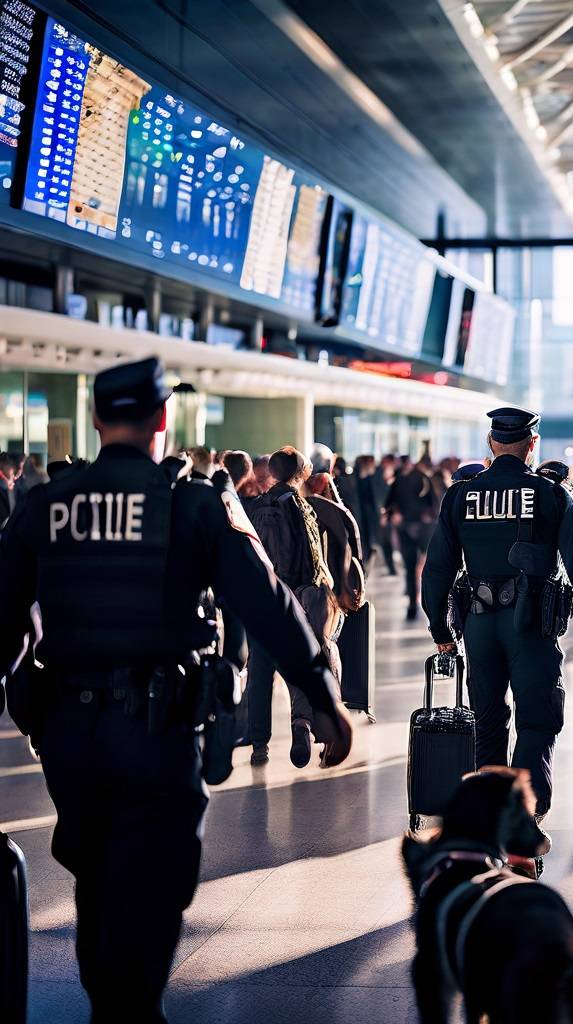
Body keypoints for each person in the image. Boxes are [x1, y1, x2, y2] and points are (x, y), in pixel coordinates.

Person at [0, 358, 352, 1023]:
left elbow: (2, 617)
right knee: (154, 886)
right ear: (162, 420)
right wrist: (322, 693)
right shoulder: (192, 502)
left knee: (97, 882)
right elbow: (267, 601)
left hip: (69, 736)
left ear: (99, 421)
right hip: (158, 732)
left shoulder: (48, 505)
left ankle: (111, 1006)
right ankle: (131, 1009)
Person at [421, 407, 573, 845]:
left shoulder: (461, 496)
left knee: (487, 720)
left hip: (479, 626)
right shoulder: (551, 494)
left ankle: (488, 818)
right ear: (532, 444)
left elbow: (437, 569)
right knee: (538, 719)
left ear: (491, 443)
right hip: (532, 627)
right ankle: (527, 815)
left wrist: (439, 629)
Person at [246, 447, 346, 768]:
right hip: (300, 596)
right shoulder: (301, 507)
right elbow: (313, 562)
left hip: (261, 598)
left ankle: (258, 744)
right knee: (305, 662)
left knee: (260, 673)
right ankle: (302, 725)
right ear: (301, 473)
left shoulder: (254, 507)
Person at [387, 454, 438, 620]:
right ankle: (412, 605)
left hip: (423, 530)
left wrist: (428, 516)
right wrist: (394, 514)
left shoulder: (422, 478)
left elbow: (433, 504)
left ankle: (430, 601)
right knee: (410, 567)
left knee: (429, 567)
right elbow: (389, 503)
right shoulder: (398, 480)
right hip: (406, 529)